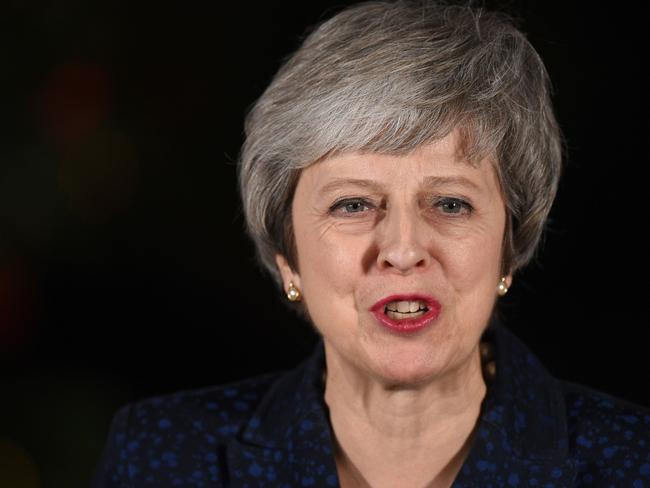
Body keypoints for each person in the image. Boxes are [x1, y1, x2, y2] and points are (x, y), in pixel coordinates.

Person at [92, 1, 650, 486]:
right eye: (353, 204)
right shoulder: (161, 456)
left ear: (510, 243)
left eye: (450, 203)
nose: (404, 250)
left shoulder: (632, 459)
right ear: (287, 256)